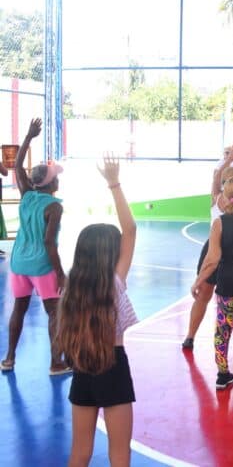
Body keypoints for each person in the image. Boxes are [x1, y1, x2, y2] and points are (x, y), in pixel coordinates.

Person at [57, 154, 138, 467]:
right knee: (119, 454)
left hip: (82, 367)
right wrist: (114, 184)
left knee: (80, 452)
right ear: (112, 254)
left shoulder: (72, 289)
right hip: (112, 367)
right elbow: (130, 229)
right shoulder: (114, 284)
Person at [1, 118, 70, 374]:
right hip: (42, 265)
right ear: (51, 184)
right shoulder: (54, 206)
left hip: (19, 263)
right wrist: (61, 274)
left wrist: (29, 137)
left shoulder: (27, 195)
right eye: (56, 179)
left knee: (18, 309)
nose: (58, 182)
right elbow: (49, 243)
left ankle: (8, 359)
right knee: (54, 312)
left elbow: (18, 166)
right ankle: (56, 362)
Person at [191, 167, 233, 389]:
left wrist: (199, 281)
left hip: (228, 283)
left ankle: (223, 374)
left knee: (223, 329)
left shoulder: (220, 223)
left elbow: (213, 259)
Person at [182, 150, 233, 350]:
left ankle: (190, 337)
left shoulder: (216, 198)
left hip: (214, 251)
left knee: (203, 295)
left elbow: (215, 174)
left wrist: (228, 159)